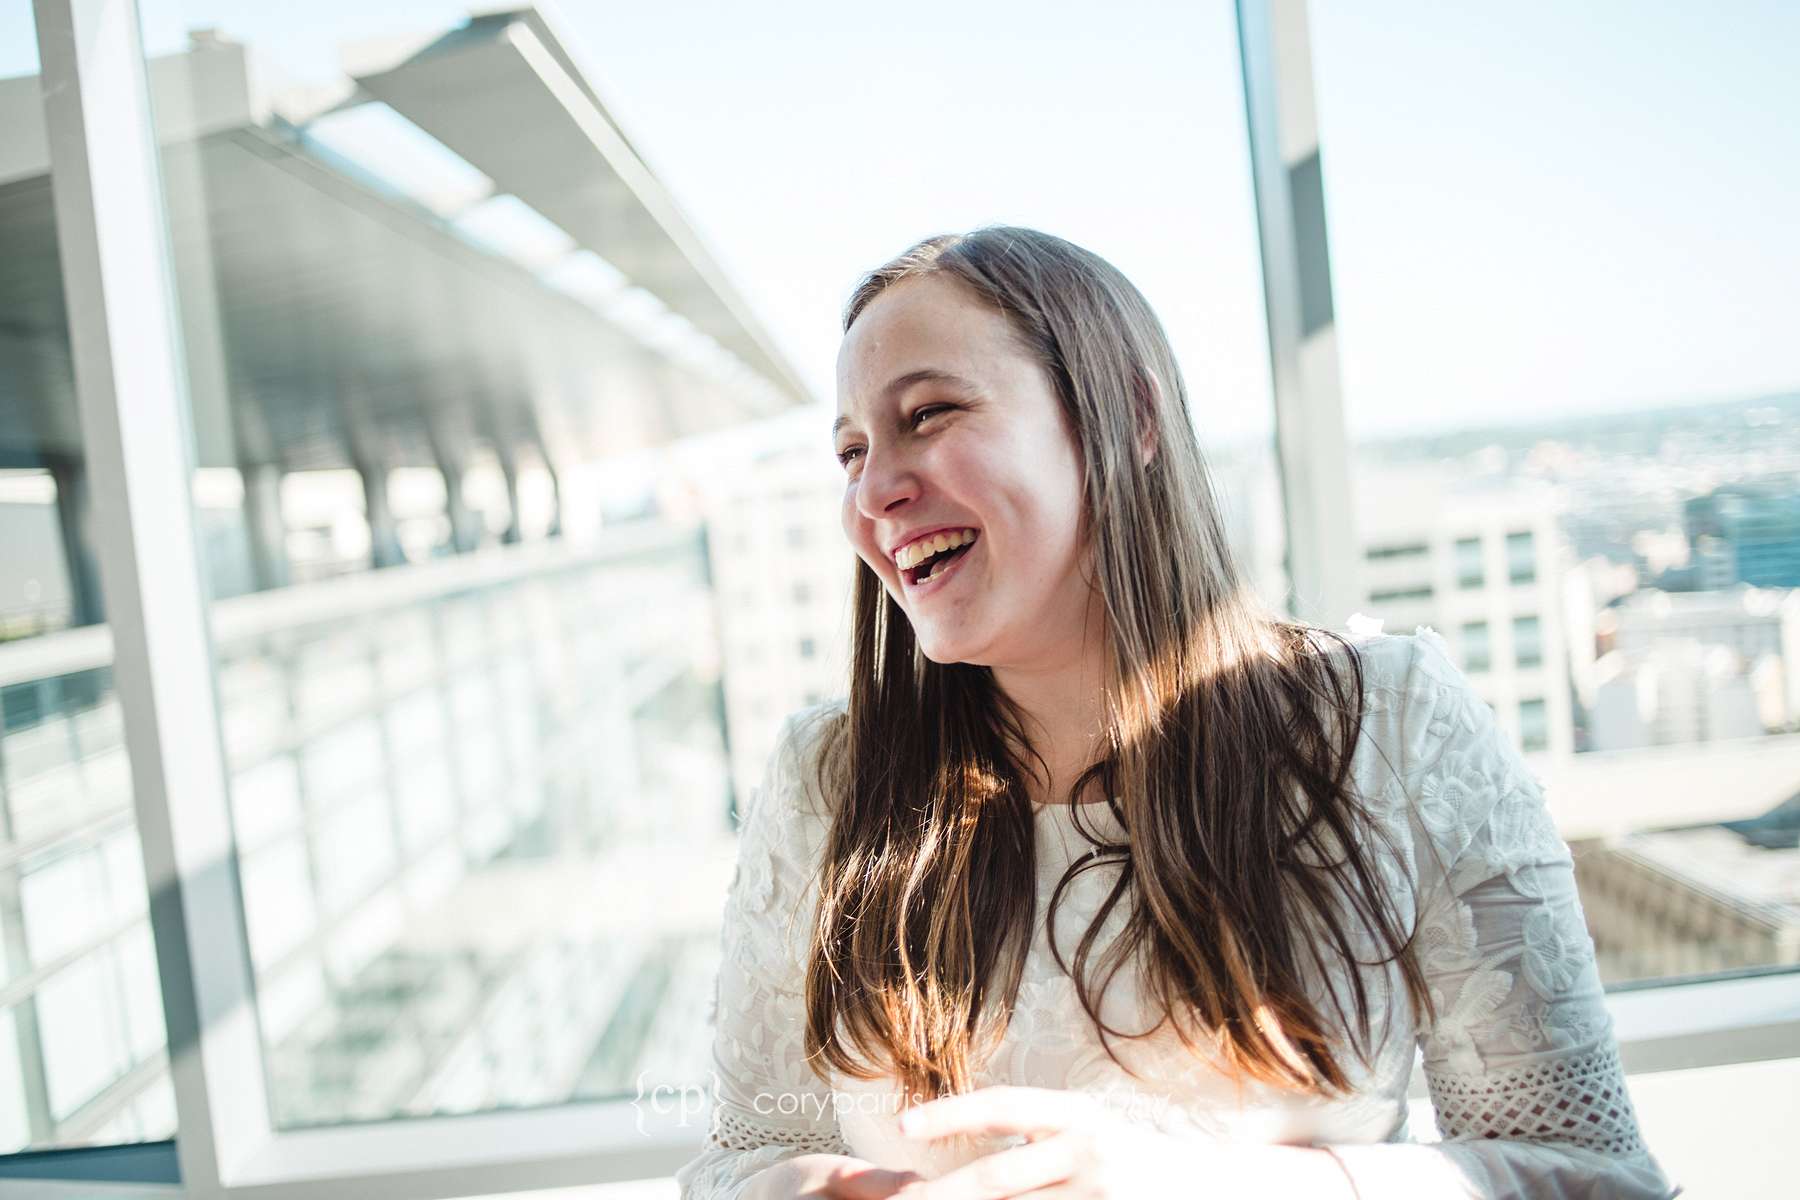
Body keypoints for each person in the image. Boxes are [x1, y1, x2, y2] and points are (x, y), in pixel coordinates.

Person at [675, 227, 1678, 1199]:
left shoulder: (1387, 724)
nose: (874, 492)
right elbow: (743, 1153)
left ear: (1132, 421)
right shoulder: (826, 780)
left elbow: (1593, 1174)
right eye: (850, 452)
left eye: (928, 414)